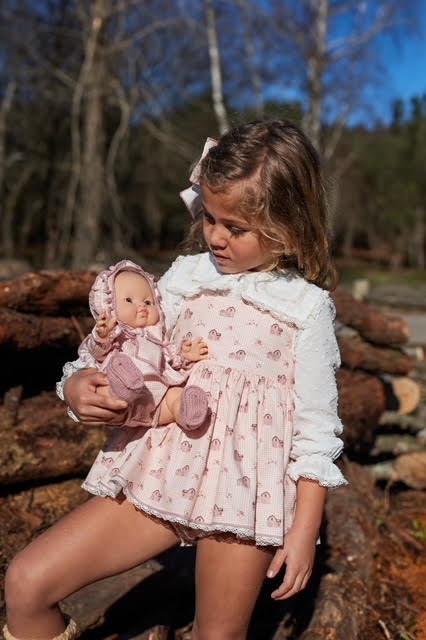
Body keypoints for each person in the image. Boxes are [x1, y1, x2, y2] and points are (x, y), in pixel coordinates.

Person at [4, 119, 347, 640]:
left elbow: (316, 431)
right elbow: (125, 344)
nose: (214, 236)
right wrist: (78, 387)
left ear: (287, 223)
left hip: (243, 497)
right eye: (209, 217)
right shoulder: (186, 278)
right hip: (159, 474)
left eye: (235, 227)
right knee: (27, 582)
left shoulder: (306, 308)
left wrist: (303, 530)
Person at [78, 259, 209, 431]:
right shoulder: (116, 336)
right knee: (109, 382)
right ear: (108, 306)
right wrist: (101, 337)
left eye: (148, 302)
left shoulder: (157, 337)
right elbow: (96, 354)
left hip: (157, 398)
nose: (142, 306)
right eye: (129, 300)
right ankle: (124, 385)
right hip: (122, 402)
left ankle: (186, 411)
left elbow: (168, 359)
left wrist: (184, 355)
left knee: (174, 397)